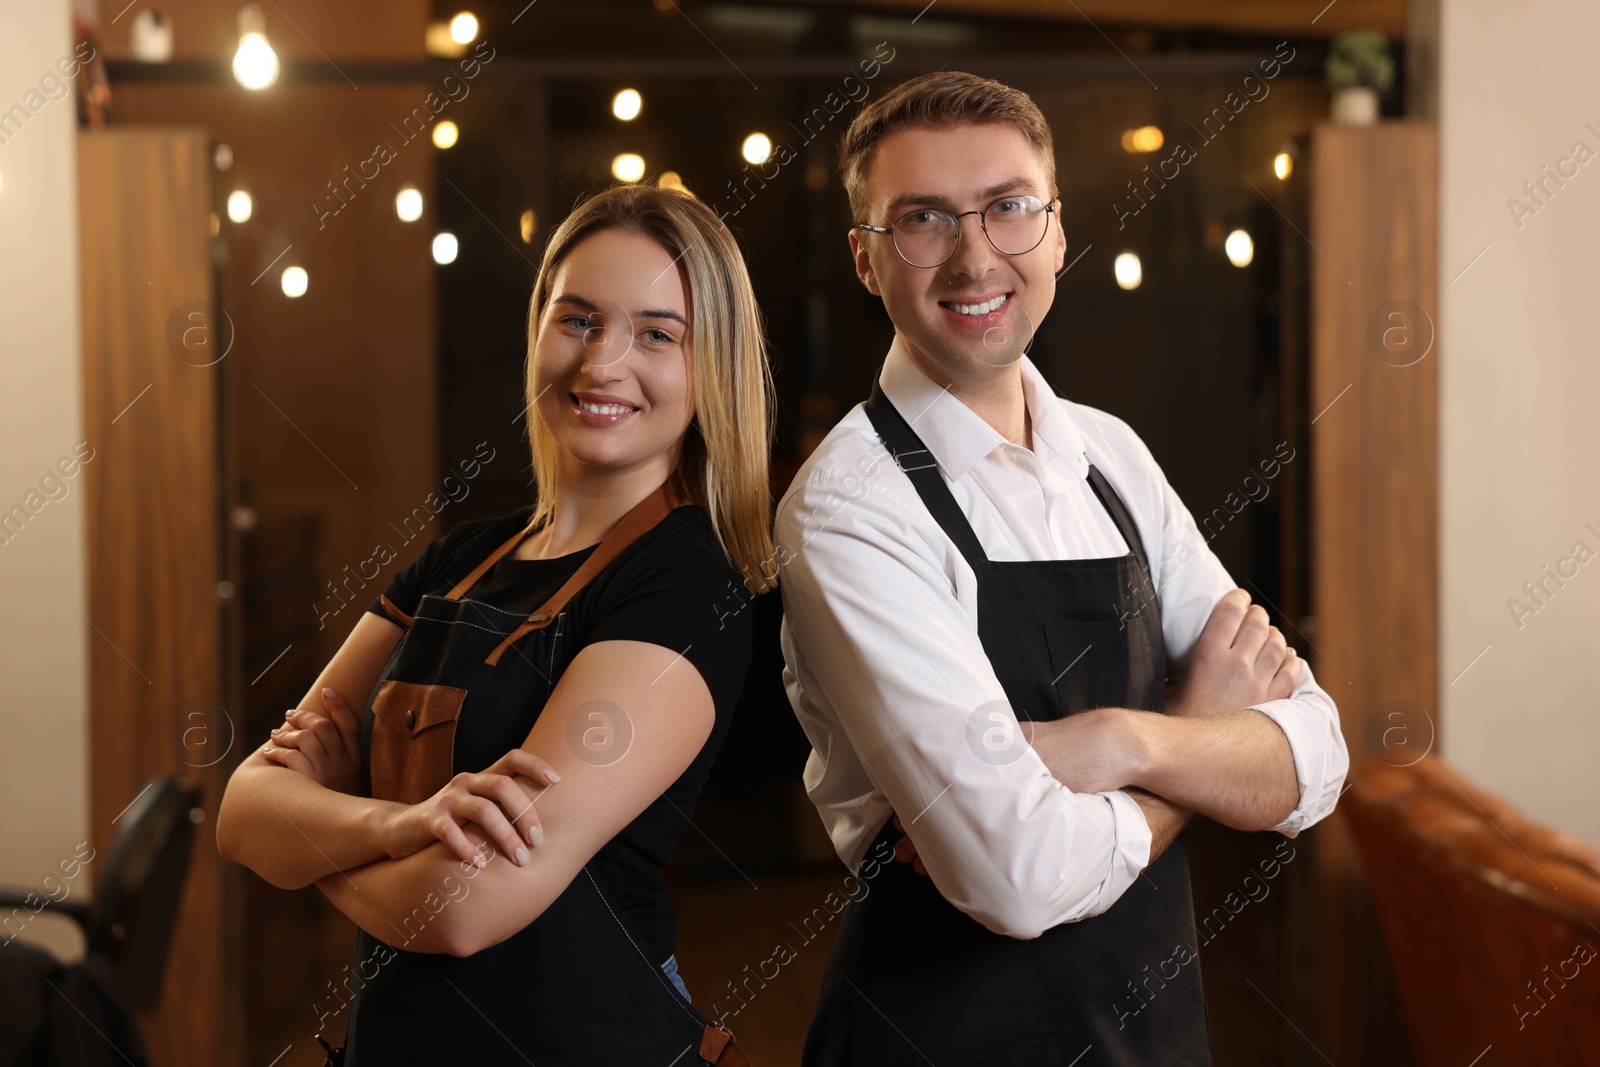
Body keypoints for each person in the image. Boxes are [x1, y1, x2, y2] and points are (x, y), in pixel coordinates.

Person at [776, 71, 1349, 1065]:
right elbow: (1018, 875)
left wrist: (1116, 740)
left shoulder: (1112, 456)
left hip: (1150, 1035)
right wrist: (1193, 738)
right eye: (921, 219)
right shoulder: (847, 510)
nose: (972, 256)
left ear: (1055, 232)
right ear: (867, 260)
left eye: (1007, 208)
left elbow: (1316, 758)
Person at [216, 182, 772, 1066]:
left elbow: (467, 909)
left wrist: (313, 838)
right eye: (577, 319)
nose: (601, 363)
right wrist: (401, 828)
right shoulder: (458, 559)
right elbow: (243, 812)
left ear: (712, 370)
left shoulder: (687, 586)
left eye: (658, 334)